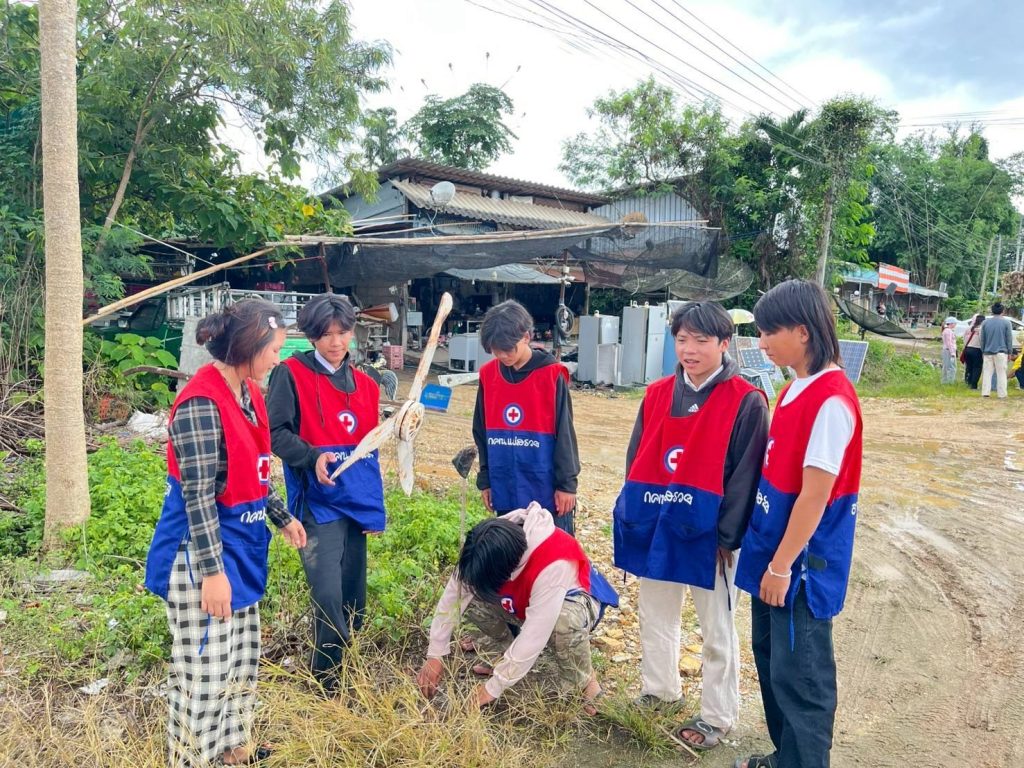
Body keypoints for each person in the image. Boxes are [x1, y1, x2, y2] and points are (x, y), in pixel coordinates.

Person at [144, 299, 307, 768]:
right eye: (273, 349)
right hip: (199, 555)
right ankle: (192, 757)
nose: (277, 358)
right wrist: (212, 574)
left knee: (240, 656)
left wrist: (281, 516)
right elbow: (197, 497)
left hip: (240, 543)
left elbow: (254, 471)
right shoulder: (201, 403)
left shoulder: (249, 392)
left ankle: (233, 747)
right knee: (205, 668)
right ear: (248, 347)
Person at [614, 301, 769, 750]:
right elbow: (638, 458)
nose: (690, 349)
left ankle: (718, 715)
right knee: (655, 612)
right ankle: (660, 690)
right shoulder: (657, 394)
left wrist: (727, 538)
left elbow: (746, 476)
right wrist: (635, 518)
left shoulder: (746, 400)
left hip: (712, 535)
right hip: (661, 522)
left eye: (701, 340)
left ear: (724, 343)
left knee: (717, 628)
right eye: (682, 339)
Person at [733, 279, 863, 768]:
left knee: (803, 677)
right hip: (771, 550)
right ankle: (784, 756)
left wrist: (782, 566)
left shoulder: (831, 400)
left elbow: (815, 495)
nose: (762, 341)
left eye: (770, 331)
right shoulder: (791, 389)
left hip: (800, 566)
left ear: (803, 332)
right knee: (773, 664)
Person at [266, 293, 386, 691]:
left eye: (343, 332)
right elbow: (275, 433)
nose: (336, 342)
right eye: (326, 334)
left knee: (354, 596)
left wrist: (373, 509)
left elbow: (369, 451)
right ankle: (326, 682)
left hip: (355, 501)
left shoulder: (366, 384)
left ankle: (350, 671)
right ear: (311, 336)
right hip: (317, 504)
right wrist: (312, 456)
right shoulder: (290, 374)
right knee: (328, 593)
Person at [415, 502, 618, 712]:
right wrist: (435, 654)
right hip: (524, 600)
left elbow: (535, 633)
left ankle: (583, 680)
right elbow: (454, 596)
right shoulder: (485, 542)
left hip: (574, 601)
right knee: (473, 596)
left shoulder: (553, 561)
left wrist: (493, 688)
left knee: (563, 621)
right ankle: (500, 657)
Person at [473, 300, 580, 535]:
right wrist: (486, 480)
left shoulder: (551, 375)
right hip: (505, 486)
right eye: (496, 350)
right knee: (512, 550)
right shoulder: (489, 376)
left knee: (548, 551)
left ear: (526, 337)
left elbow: (565, 436)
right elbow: (481, 432)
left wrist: (567, 485)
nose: (502, 355)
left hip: (546, 489)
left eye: (508, 349)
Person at [980, 302, 1013, 398]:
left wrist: (983, 351)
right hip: (1001, 352)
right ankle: (1002, 394)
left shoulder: (985, 322)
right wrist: (1010, 352)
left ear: (992, 311)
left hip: (987, 352)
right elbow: (1009, 339)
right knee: (1001, 374)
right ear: (1002, 311)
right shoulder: (1007, 323)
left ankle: (985, 392)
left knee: (987, 373)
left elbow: (982, 339)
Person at [962, 314, 985, 389]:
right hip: (977, 350)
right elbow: (982, 341)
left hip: (967, 349)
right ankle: (973, 385)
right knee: (977, 368)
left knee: (969, 367)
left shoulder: (969, 328)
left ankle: (967, 382)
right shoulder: (981, 329)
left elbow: (964, 339)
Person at [940, 316, 958, 384]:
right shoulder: (948, 331)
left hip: (946, 350)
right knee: (951, 367)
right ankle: (950, 382)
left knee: (946, 366)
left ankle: (944, 381)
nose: (955, 325)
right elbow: (949, 343)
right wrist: (952, 353)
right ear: (951, 323)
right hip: (949, 351)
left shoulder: (946, 330)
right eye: (955, 323)